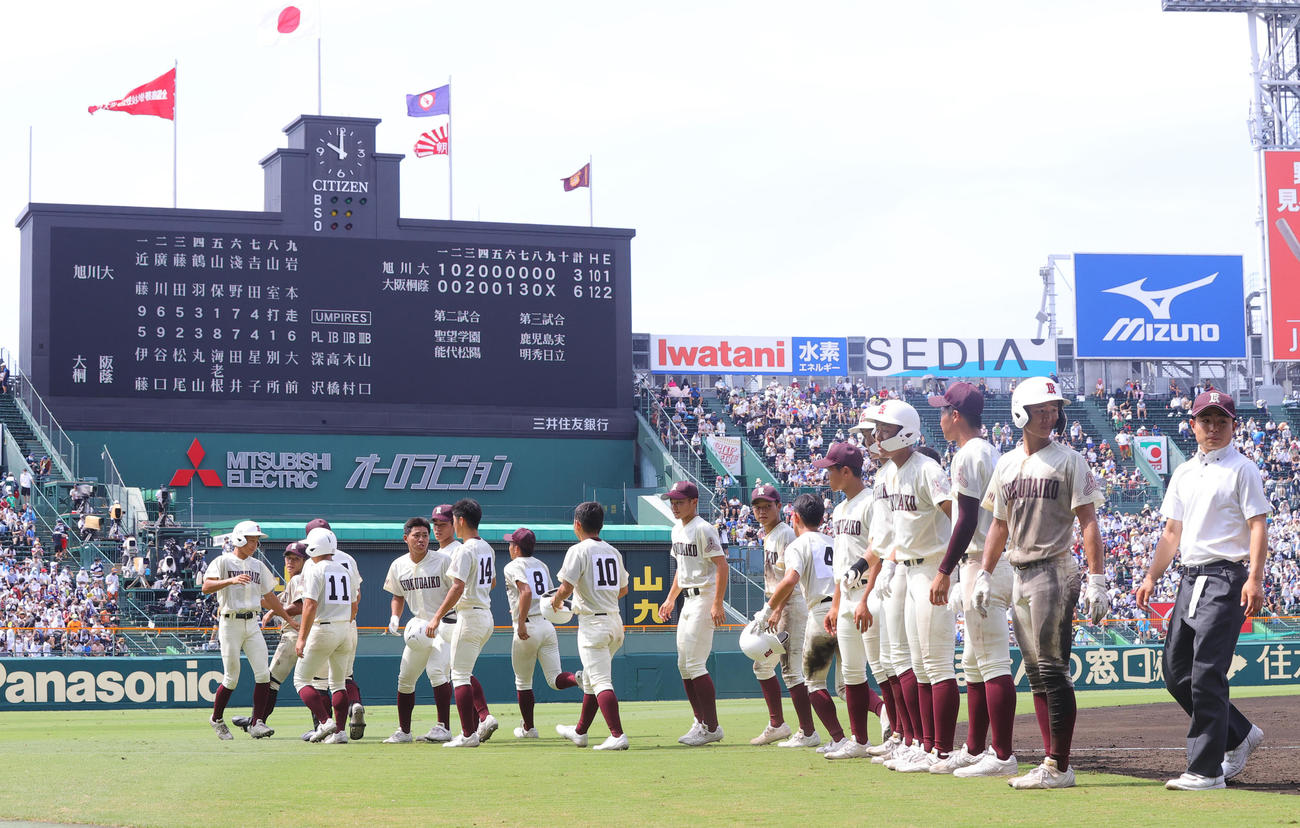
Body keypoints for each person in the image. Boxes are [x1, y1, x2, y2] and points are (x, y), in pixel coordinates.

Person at [974, 376, 1108, 789]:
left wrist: (1097, 578)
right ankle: (1052, 761)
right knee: (1034, 672)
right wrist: (983, 571)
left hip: (1053, 568)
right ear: (1022, 413)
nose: (1050, 415)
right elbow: (998, 525)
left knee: (1053, 669)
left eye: (1054, 409)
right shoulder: (1007, 463)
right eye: (1042, 409)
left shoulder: (1070, 460)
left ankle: (1059, 765)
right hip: (1018, 572)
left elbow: (1088, 520)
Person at [1136, 390, 1269, 791]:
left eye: (1221, 421)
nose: (1213, 428)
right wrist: (1150, 576)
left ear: (1233, 426)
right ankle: (1240, 733)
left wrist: (1256, 577)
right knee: (1176, 673)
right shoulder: (1184, 472)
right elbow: (1171, 533)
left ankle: (1206, 770)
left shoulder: (1242, 469)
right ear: (1192, 425)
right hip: (1189, 578)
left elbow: (1258, 525)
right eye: (1205, 421)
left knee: (1207, 673)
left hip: (1226, 577)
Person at [926, 382, 1018, 777]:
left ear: (956, 415)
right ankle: (978, 748)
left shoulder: (967, 455)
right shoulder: (990, 452)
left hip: (982, 560)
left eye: (943, 411)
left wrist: (944, 570)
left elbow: (964, 520)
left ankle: (1001, 754)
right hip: (991, 560)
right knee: (974, 662)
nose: (940, 417)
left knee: (993, 660)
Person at [863, 401, 957, 773]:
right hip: (907, 567)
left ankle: (942, 751)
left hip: (932, 566)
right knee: (918, 665)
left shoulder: (926, 468)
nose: (877, 436)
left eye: (884, 430)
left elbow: (957, 515)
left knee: (935, 664)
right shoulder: (891, 473)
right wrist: (886, 563)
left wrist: (953, 567)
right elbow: (890, 533)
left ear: (905, 431)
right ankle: (926, 745)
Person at [759, 491, 854, 756]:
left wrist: (769, 609)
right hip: (843, 607)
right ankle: (886, 720)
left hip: (820, 613)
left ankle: (836, 738)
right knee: (850, 684)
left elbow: (790, 579)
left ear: (795, 517)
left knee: (813, 681)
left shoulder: (796, 544)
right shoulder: (833, 541)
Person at [812, 442, 883, 759]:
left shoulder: (872, 502)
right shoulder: (838, 509)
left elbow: (879, 554)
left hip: (871, 592)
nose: (826, 475)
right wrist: (837, 604)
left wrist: (866, 597)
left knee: (883, 670)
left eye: (830, 469)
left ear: (846, 471)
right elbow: (841, 566)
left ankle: (900, 737)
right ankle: (859, 740)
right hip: (847, 594)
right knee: (853, 674)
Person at [201, 519, 295, 740]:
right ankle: (216, 719)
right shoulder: (223, 561)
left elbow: (270, 597)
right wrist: (230, 581)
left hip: (252, 621)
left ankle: (257, 722)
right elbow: (206, 587)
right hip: (229, 620)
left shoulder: (258, 565)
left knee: (263, 674)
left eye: (256, 541)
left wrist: (288, 618)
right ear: (240, 538)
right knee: (231, 677)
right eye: (251, 540)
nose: (254, 544)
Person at [552, 501, 630, 750]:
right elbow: (624, 588)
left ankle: (617, 734)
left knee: (600, 681)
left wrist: (554, 602)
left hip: (593, 624)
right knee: (591, 679)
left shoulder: (578, 550)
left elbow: (565, 587)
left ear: (577, 524)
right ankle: (580, 732)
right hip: (615, 621)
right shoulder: (613, 551)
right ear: (601, 524)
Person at [657, 480, 728, 746]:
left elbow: (722, 566)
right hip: (687, 598)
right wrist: (670, 598)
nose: (675, 506)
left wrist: (718, 603)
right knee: (683, 665)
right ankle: (701, 722)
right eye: (672, 501)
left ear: (694, 502)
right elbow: (681, 569)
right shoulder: (677, 530)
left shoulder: (703, 528)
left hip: (704, 596)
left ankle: (712, 727)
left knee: (695, 664)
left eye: (680, 501)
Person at [428, 499, 497, 747]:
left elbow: (457, 586)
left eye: (454, 520)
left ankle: (468, 735)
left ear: (461, 521)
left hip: (469, 615)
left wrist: (437, 616)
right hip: (486, 615)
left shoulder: (464, 549)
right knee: (463, 672)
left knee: (459, 675)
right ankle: (475, 726)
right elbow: (492, 583)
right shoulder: (486, 547)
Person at [381, 516, 455, 744]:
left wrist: (437, 618)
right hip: (419, 626)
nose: (422, 539)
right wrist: (394, 616)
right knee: (405, 678)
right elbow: (397, 595)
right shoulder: (398, 565)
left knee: (436, 672)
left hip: (445, 625)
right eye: (417, 535)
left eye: (425, 535)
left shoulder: (442, 561)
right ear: (406, 538)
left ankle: (443, 727)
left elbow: (456, 591)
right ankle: (404, 731)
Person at [502, 526, 580, 738]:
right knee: (555, 679)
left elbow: (526, 592)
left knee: (523, 681)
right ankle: (578, 679)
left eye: (511, 544)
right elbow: (547, 596)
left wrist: (520, 621)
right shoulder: (542, 565)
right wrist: (519, 608)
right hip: (546, 625)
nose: (509, 547)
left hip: (527, 626)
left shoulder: (512, 566)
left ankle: (529, 728)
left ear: (517, 548)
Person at [745, 483, 806, 747]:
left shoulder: (784, 534)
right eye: (757, 507)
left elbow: (791, 578)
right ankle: (778, 725)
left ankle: (806, 730)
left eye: (767, 506)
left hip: (789, 606)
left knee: (792, 671)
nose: (762, 511)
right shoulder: (769, 534)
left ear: (779, 507)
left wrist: (777, 607)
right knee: (762, 665)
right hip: (778, 605)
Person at [231, 542, 306, 738]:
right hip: (309, 634)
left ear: (305, 560)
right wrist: (255, 594)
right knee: (321, 683)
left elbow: (298, 606)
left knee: (271, 681)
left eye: (296, 558)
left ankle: (258, 721)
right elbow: (272, 600)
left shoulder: (299, 579)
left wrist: (273, 611)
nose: (290, 562)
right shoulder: (298, 580)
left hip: (295, 635)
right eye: (288, 558)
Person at [303, 518, 367, 740]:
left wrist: (301, 638)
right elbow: (356, 599)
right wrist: (347, 621)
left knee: (306, 680)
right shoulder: (345, 562)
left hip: (323, 626)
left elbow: (309, 604)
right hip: (346, 626)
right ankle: (340, 729)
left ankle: (324, 722)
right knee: (340, 681)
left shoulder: (312, 565)